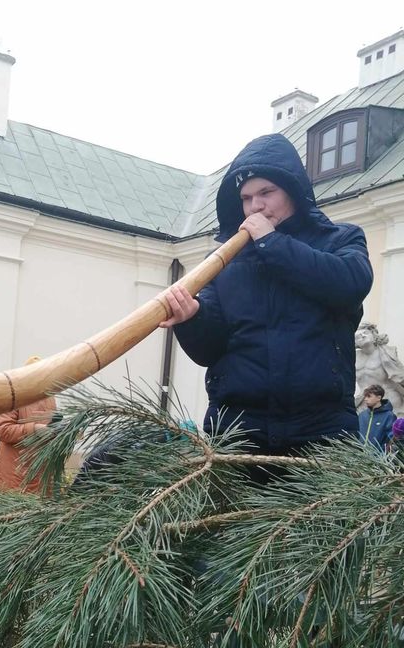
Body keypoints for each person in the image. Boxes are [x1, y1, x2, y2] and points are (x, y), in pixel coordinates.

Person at [160, 133, 373, 455]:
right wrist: (191, 318)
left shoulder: (340, 239)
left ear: (293, 192)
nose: (255, 205)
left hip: (323, 433)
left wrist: (271, 242)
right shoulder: (221, 261)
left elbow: (350, 285)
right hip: (237, 432)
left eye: (266, 192)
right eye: (246, 198)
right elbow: (209, 351)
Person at [0, 356, 57, 493]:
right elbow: (3, 430)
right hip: (14, 473)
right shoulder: (12, 395)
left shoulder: (49, 397)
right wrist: (34, 429)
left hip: (40, 473)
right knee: (10, 513)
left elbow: (51, 426)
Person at [358, 384, 396, 451]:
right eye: (365, 396)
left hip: (378, 459)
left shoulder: (389, 416)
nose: (365, 399)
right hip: (358, 458)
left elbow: (392, 440)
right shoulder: (362, 415)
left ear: (378, 398)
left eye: (369, 396)